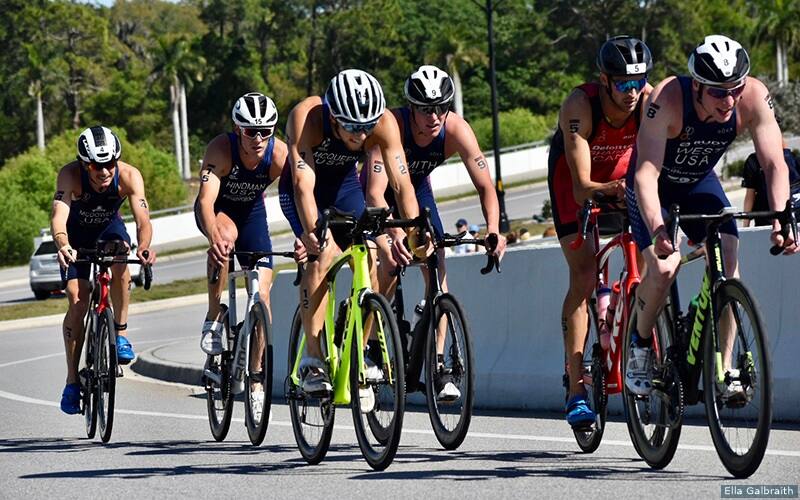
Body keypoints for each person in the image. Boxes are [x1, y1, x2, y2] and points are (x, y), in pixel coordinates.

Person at [625, 35, 798, 399]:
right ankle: (640, 343)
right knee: (664, 268)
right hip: (656, 185)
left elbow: (773, 162)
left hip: (699, 181)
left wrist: (783, 217)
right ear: (698, 86)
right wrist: (658, 229)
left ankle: (725, 368)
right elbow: (644, 174)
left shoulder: (751, 95)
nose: (729, 100)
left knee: (729, 263)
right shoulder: (668, 99)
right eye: (719, 93)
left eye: (735, 89)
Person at [361, 64, 507, 400]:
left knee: (437, 266)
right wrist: (393, 236)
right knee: (389, 266)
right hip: (379, 194)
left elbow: (486, 186)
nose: (435, 116)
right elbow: (375, 193)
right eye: (426, 109)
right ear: (411, 107)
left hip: (417, 190)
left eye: (442, 107)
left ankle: (439, 366)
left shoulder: (455, 128)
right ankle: (370, 347)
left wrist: (494, 230)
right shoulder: (390, 126)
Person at [279, 69, 426, 397]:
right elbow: (303, 185)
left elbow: (402, 184)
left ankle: (358, 343)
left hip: (345, 189)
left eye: (366, 126)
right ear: (333, 116)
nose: (361, 135)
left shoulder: (384, 123)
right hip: (304, 191)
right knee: (323, 255)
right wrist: (313, 231)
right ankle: (313, 360)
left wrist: (413, 232)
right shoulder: (306, 118)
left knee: (382, 254)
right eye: (352, 127)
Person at [547, 36, 653, 427]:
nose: (633, 92)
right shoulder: (580, 106)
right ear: (604, 80)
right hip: (576, 184)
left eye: (639, 82)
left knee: (653, 264)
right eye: (624, 84)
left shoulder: (648, 101)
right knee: (585, 275)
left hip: (624, 179)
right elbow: (580, 186)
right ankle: (576, 390)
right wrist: (611, 190)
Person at [51, 126, 157, 414]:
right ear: (85, 164)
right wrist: (62, 244)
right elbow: (59, 217)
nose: (104, 171)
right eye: (97, 166)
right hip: (76, 237)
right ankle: (73, 380)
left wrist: (144, 247)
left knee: (122, 255)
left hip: (109, 229)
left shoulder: (129, 176)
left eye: (110, 163)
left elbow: (143, 220)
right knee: (78, 300)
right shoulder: (70, 175)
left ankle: (120, 333)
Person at [194, 92, 287, 413]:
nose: (259, 138)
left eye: (266, 131)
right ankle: (212, 315)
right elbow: (205, 201)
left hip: (252, 214)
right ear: (237, 130)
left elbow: (300, 194)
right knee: (224, 239)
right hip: (219, 211)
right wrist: (213, 235)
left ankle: (257, 377)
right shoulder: (221, 149)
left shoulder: (279, 156)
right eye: (251, 131)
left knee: (263, 297)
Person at [741, 118, 800, 226]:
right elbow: (750, 196)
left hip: (773, 222)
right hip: (772, 222)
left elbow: (750, 196)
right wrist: (746, 225)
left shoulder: (754, 161)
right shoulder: (792, 158)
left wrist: (746, 225)